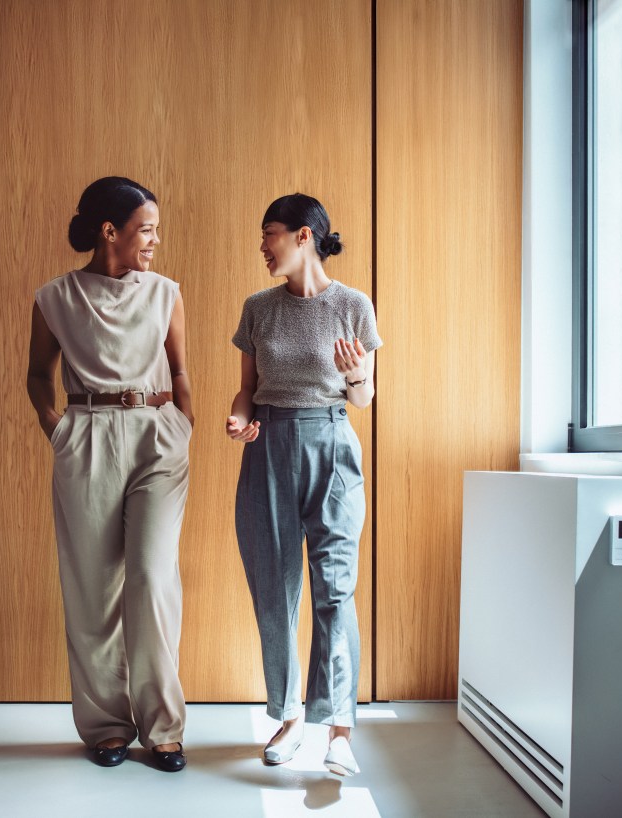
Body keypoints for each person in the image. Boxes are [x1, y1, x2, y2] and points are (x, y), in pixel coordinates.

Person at [27, 176, 192, 772]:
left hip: (156, 437)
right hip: (86, 436)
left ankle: (163, 726)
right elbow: (37, 376)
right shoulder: (55, 297)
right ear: (109, 231)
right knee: (93, 589)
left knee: (151, 579)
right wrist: (58, 428)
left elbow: (180, 371)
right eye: (146, 228)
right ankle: (105, 727)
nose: (154, 239)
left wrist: (184, 424)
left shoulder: (166, 291)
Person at [227, 193, 382, 777]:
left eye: (270, 233)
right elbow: (248, 388)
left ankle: (339, 729)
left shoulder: (353, 306)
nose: (262, 245)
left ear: (303, 237)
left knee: (334, 588)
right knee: (274, 589)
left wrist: (356, 376)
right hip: (268, 449)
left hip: (332, 446)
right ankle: (289, 715)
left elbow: (363, 400)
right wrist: (240, 416)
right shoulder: (258, 309)